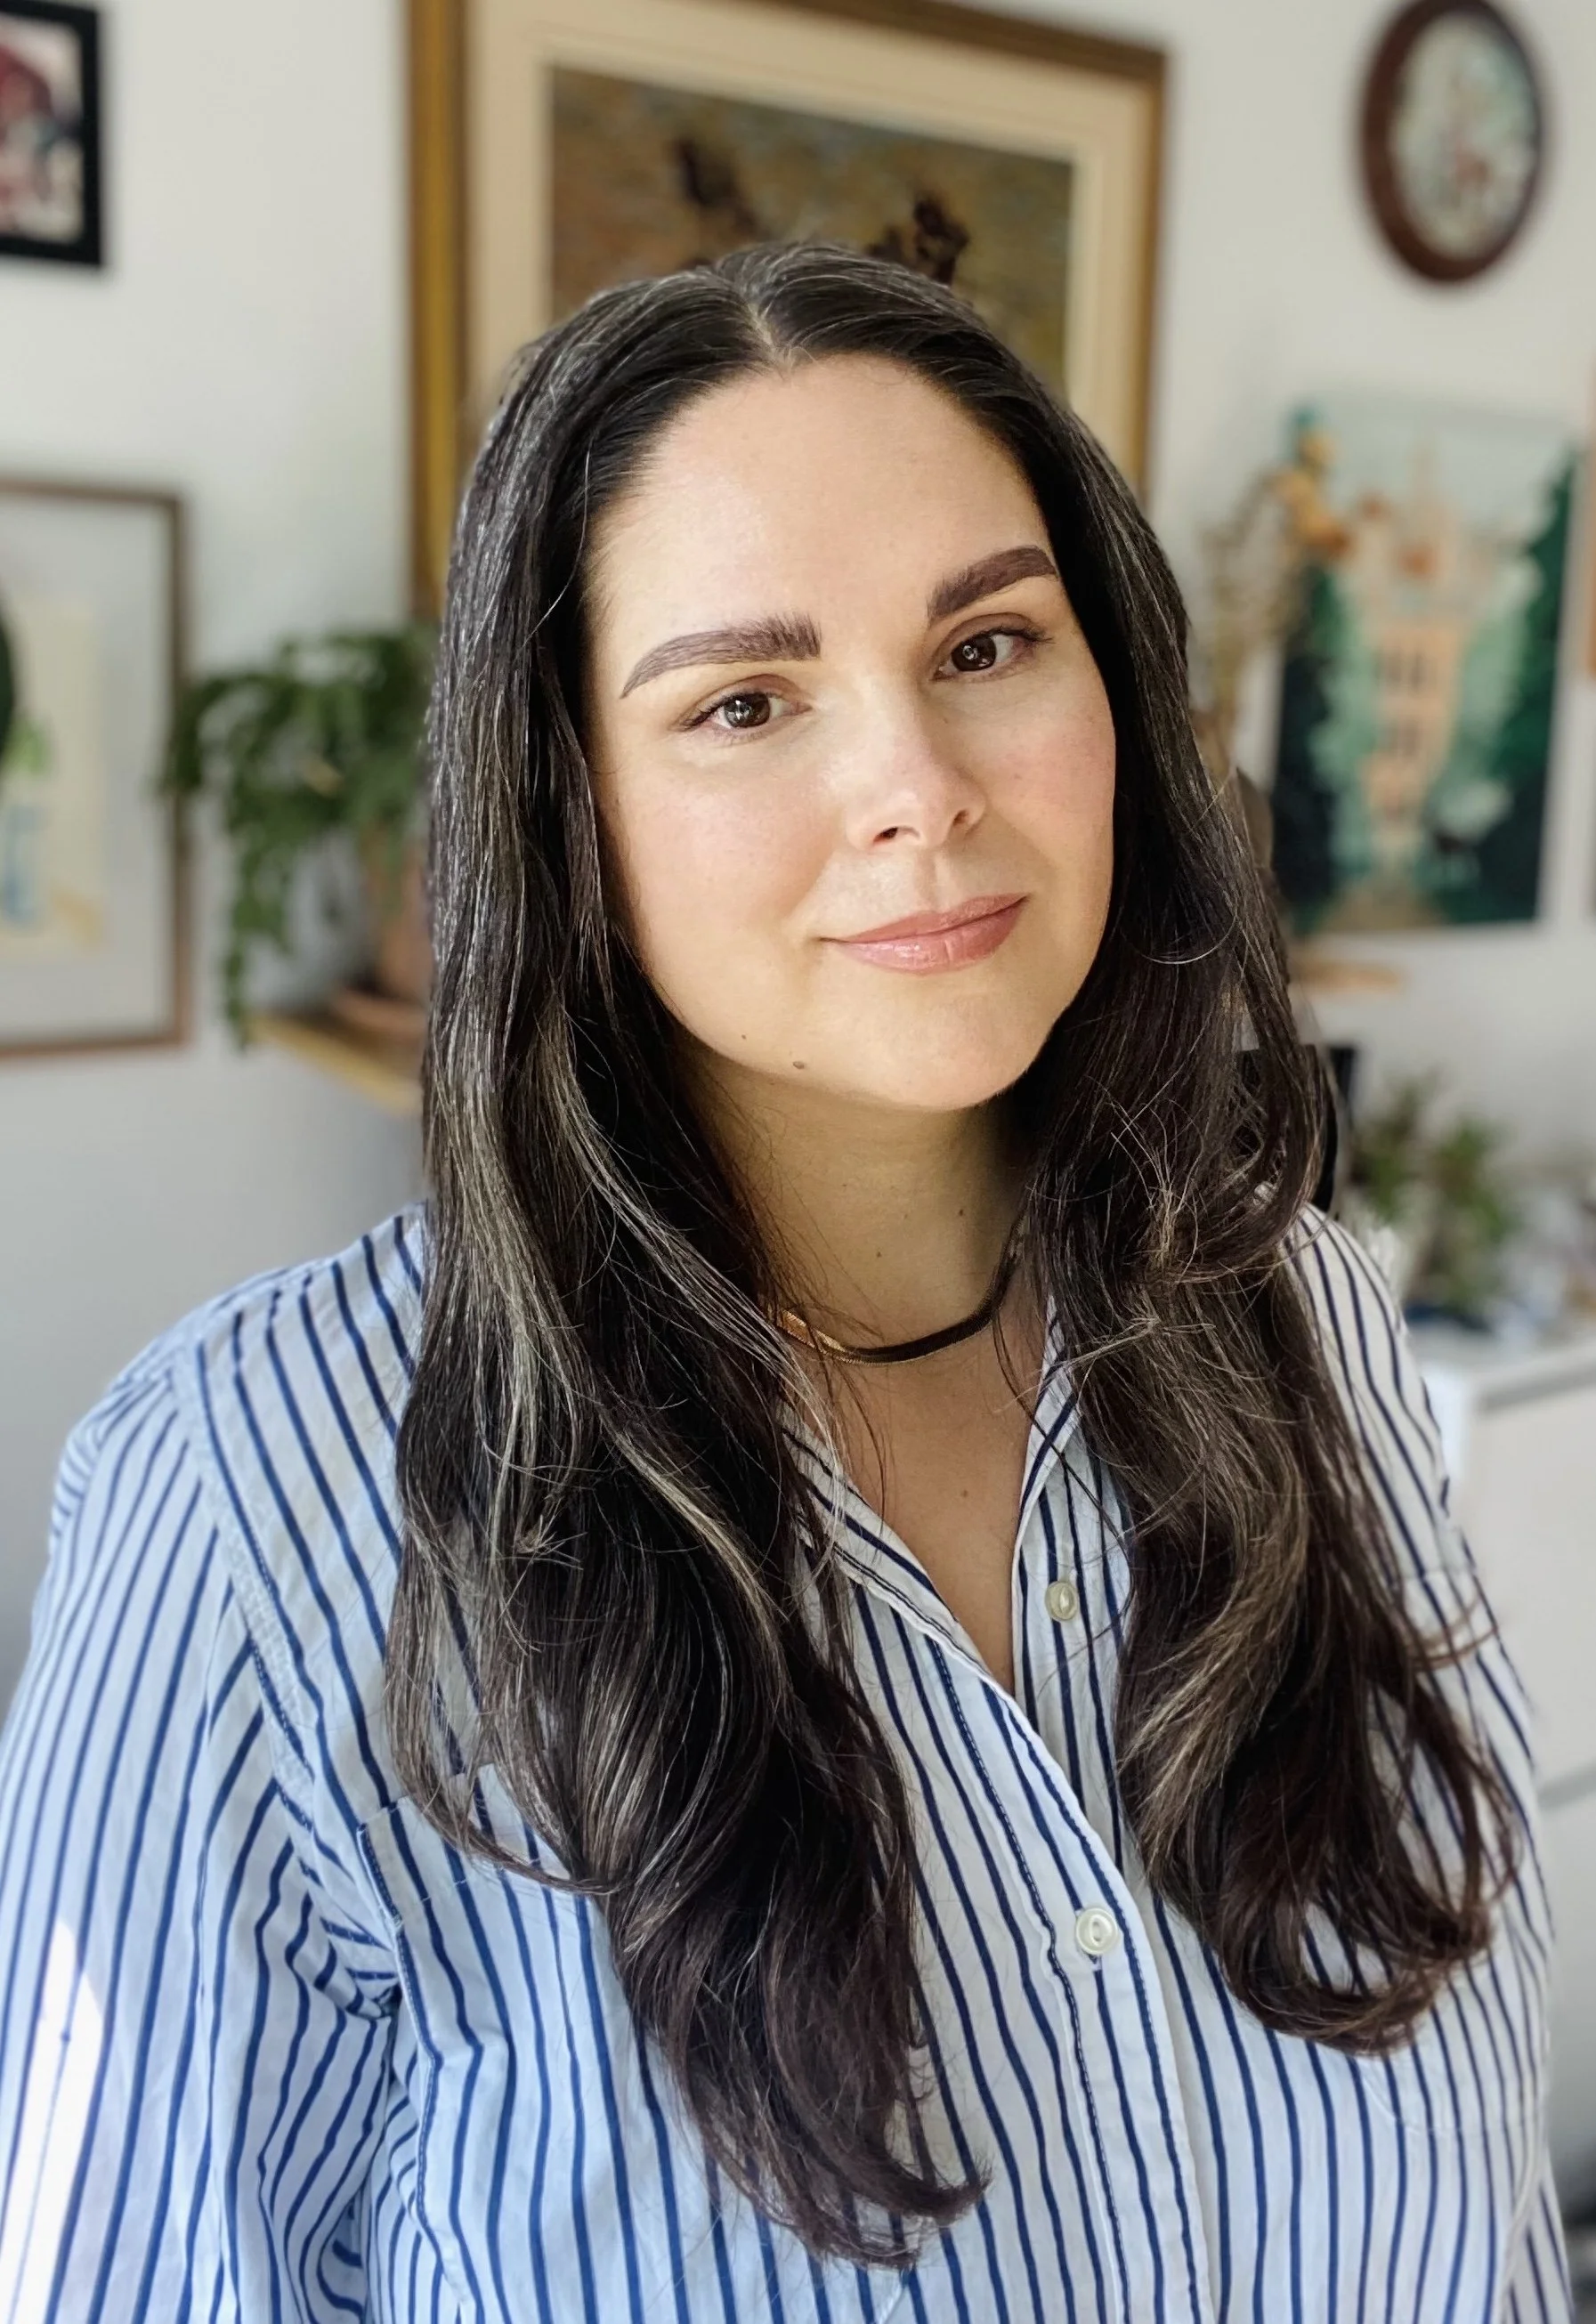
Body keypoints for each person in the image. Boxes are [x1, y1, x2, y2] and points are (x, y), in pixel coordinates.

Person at [0, 244, 1568, 2322]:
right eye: (744, 699)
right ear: (573, 802)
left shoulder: (1306, 1323)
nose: (914, 781)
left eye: (989, 643)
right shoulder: (250, 1520)